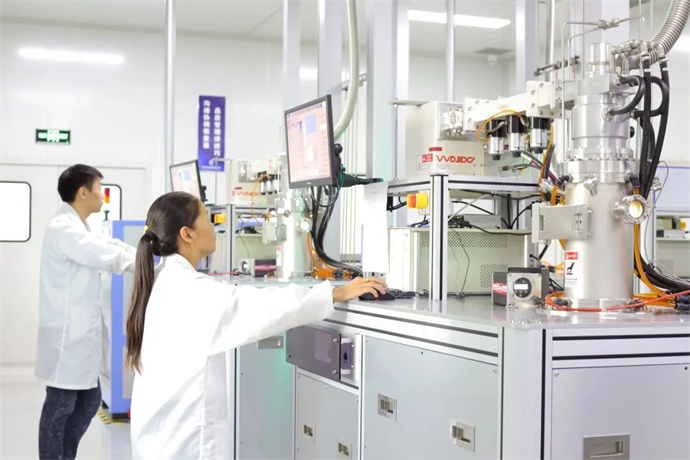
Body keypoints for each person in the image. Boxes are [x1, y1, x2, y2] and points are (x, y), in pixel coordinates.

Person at [127, 192, 386, 459]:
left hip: (158, 437)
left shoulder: (160, 278)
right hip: (184, 441)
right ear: (187, 234)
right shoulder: (193, 291)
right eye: (205, 218)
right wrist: (335, 293)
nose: (213, 226)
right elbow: (265, 307)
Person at [36, 164, 137, 460]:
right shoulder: (64, 230)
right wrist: (152, 267)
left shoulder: (80, 227)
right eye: (99, 189)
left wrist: (149, 255)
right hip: (66, 338)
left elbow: (109, 244)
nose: (102, 196)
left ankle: (65, 456)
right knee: (60, 407)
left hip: (78, 338)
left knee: (89, 399)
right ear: (83, 193)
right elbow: (107, 255)